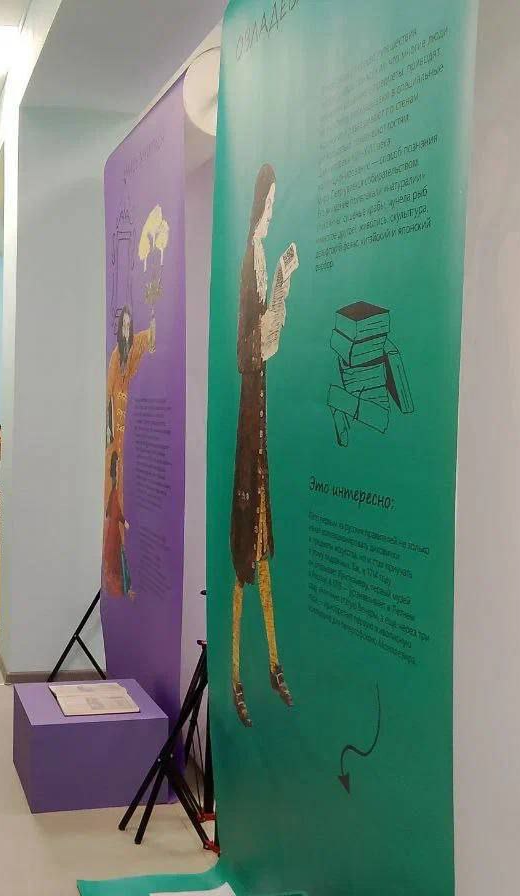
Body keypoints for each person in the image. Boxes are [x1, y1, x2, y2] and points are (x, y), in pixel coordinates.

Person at [230, 163, 298, 727]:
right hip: (250, 426)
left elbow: (266, 341)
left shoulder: (258, 258)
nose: (270, 216)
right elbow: (249, 350)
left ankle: (272, 663)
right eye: (268, 207)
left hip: (260, 424)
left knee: (261, 548)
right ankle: (235, 672)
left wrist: (280, 281)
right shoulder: (247, 260)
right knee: (244, 554)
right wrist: (277, 285)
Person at [102, 305, 155, 598]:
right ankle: (122, 580)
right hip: (116, 443)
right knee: (117, 512)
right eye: (122, 326)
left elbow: (149, 339)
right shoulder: (115, 358)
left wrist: (156, 317)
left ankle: (129, 580)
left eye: (128, 326)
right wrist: (111, 439)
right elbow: (109, 401)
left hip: (130, 438)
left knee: (125, 509)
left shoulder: (134, 348)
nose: (125, 331)